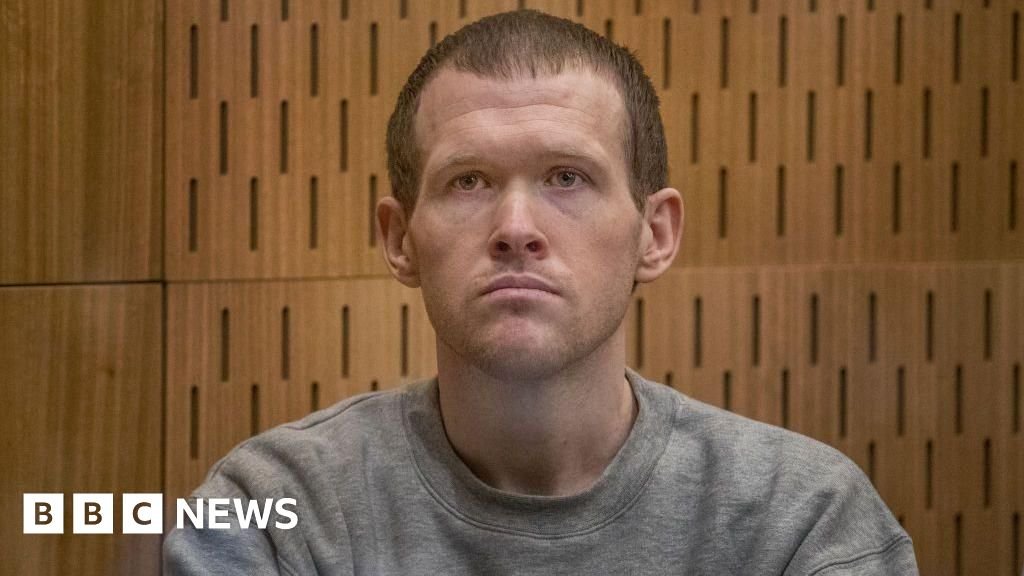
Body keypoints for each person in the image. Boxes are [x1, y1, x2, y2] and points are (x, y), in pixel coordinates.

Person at [164, 9, 918, 575]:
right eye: (468, 182)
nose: (516, 229)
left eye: (567, 177)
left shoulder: (801, 520)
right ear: (399, 239)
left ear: (654, 234)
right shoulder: (273, 511)